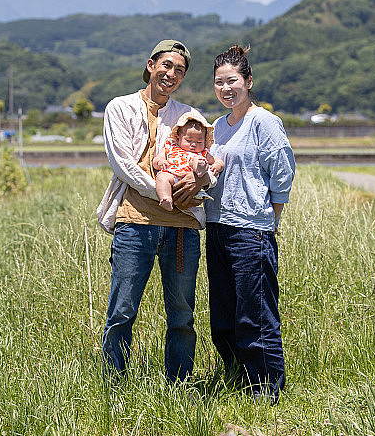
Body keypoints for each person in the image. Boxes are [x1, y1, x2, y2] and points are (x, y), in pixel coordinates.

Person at [96, 39, 213, 382]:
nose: (171, 74)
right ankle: (114, 386)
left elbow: (209, 160)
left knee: (182, 313)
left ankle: (179, 385)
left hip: (182, 229)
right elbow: (123, 164)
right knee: (122, 310)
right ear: (150, 65)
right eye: (166, 66)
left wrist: (197, 186)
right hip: (135, 221)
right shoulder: (119, 107)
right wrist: (165, 192)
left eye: (180, 70)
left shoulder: (189, 115)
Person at [205, 45, 296, 403]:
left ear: (248, 81)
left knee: (255, 314)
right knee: (224, 315)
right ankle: (237, 379)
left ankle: (266, 390)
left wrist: (271, 219)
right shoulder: (217, 127)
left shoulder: (264, 122)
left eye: (233, 81)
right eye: (219, 83)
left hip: (251, 231)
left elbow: (282, 172)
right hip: (217, 226)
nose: (226, 89)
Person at [153, 110, 224, 211]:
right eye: (189, 140)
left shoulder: (203, 153)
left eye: (199, 141)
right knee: (162, 178)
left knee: (197, 159)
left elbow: (219, 161)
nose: (194, 144)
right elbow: (157, 159)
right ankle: (166, 198)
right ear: (178, 139)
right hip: (172, 175)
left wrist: (217, 166)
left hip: (192, 177)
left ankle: (199, 167)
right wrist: (160, 162)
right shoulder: (171, 148)